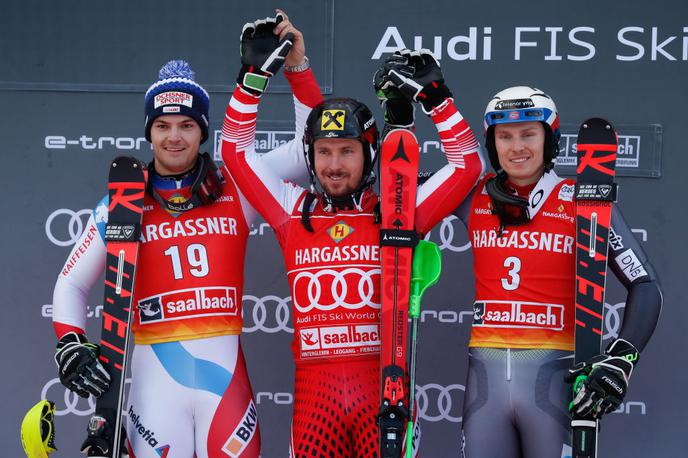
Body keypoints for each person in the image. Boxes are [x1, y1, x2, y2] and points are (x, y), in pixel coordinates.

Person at [51, 13, 320, 457]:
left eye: (186, 125)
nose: (174, 137)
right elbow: (71, 283)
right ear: (148, 132)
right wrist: (71, 343)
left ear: (203, 130)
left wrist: (297, 66)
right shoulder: (123, 205)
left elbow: (307, 151)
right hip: (154, 386)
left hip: (226, 384)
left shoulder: (237, 184)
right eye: (162, 126)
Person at [222, 39, 483, 456]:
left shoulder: (397, 210)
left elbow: (467, 165)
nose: (334, 165)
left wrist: (437, 99)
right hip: (313, 403)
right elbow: (235, 154)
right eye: (323, 152)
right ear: (310, 155)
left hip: (384, 397)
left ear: (370, 154)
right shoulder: (291, 209)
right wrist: (250, 83)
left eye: (347, 150)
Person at [448, 86, 663, 458]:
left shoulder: (583, 201)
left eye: (529, 134)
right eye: (505, 136)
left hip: (555, 386)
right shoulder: (473, 196)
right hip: (485, 389)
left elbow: (645, 284)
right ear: (492, 143)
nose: (517, 147)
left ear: (550, 139)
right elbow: (400, 195)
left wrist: (622, 357)